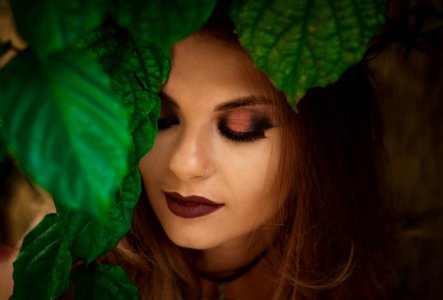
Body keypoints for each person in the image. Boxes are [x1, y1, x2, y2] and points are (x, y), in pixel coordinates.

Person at [108, 3, 394, 300]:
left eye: (239, 128)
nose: (183, 164)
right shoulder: (77, 273)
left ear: (319, 144)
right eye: (161, 118)